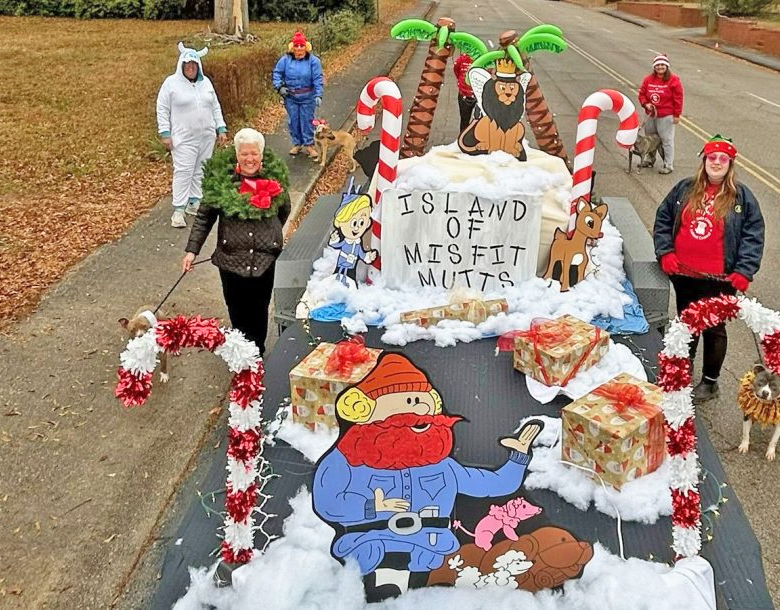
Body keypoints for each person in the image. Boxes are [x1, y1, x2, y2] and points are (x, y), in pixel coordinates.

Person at [312, 352, 542, 602]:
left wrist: (518, 457)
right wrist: (371, 507)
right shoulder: (347, 458)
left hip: (429, 550)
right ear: (367, 409)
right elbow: (328, 503)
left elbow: (495, 484)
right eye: (408, 401)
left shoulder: (442, 466)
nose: (417, 410)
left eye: (421, 402)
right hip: (370, 546)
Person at [653, 135, 765, 404]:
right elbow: (664, 217)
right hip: (684, 274)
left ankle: (710, 382)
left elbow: (753, 235)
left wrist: (744, 270)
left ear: (730, 164)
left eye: (722, 159)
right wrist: (665, 252)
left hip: (719, 280)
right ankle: (685, 366)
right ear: (704, 161)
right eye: (712, 157)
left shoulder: (742, 197)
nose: (716, 162)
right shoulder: (685, 189)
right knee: (686, 323)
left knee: (713, 329)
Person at [181, 128, 291, 356]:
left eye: (254, 153)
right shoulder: (221, 183)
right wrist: (192, 251)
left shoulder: (275, 180)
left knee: (259, 308)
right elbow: (204, 217)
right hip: (231, 260)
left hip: (263, 260)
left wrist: (269, 236)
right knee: (237, 309)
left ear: (261, 155)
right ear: (237, 155)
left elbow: (284, 211)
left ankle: (256, 353)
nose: (250, 158)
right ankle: (241, 353)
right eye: (244, 153)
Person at [156, 43, 228, 229]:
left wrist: (220, 127)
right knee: (184, 171)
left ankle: (194, 201)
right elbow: (162, 108)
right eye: (187, 64)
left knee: (200, 169)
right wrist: (165, 132)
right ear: (181, 65)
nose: (190, 68)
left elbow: (215, 105)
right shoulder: (171, 84)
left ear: (198, 66)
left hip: (206, 136)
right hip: (183, 137)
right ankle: (178, 210)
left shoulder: (206, 83)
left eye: (194, 65)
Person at [272, 31, 324, 159]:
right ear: (292, 47)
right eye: (296, 46)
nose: (299, 48)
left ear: (306, 47)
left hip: (308, 96)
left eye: (301, 46)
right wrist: (279, 87)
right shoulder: (285, 60)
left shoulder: (313, 61)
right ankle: (297, 143)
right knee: (294, 121)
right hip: (291, 97)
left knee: (307, 121)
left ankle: (309, 145)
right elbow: (277, 73)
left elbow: (318, 78)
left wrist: (318, 94)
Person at [637, 54, 683, 175]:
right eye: (658, 65)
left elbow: (678, 99)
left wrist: (676, 115)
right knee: (650, 138)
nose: (660, 67)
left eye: (663, 65)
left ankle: (668, 165)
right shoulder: (648, 79)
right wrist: (645, 104)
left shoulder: (673, 80)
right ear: (654, 66)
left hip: (666, 115)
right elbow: (642, 94)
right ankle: (649, 159)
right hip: (651, 114)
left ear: (667, 66)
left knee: (666, 140)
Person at [453, 53, 477, 133]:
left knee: (479, 121)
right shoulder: (461, 59)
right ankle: (462, 138)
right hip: (464, 95)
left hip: (478, 96)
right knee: (464, 120)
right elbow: (456, 70)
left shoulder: (483, 59)